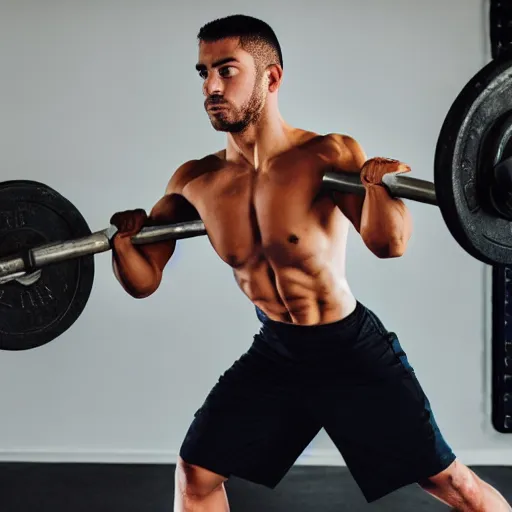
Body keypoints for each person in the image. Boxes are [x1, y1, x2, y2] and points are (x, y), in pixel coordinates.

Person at [109, 14, 511, 512]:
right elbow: (143, 282)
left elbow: (390, 245)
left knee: (452, 484)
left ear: (271, 77)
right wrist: (125, 246)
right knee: (196, 474)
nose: (211, 86)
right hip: (279, 351)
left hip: (349, 347)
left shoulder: (326, 155)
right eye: (203, 73)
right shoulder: (196, 180)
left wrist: (379, 190)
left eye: (227, 70)